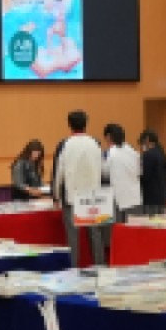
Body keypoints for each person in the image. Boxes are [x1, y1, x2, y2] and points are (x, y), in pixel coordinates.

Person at [52, 111, 108, 266]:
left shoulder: (64, 144)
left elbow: (59, 172)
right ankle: (99, 266)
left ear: (69, 125)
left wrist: (56, 196)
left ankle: (74, 268)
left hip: (72, 195)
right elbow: (104, 169)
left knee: (73, 237)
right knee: (95, 234)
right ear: (86, 124)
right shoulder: (95, 143)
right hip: (93, 195)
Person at [103, 124, 143, 233]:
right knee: (133, 234)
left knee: (118, 233)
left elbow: (105, 172)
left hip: (118, 200)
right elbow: (140, 172)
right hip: (135, 198)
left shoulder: (111, 153)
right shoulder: (133, 152)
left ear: (108, 137)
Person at [138, 130, 166, 213]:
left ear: (147, 140)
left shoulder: (148, 154)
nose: (142, 146)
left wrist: (138, 178)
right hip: (162, 195)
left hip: (151, 196)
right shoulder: (162, 153)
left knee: (151, 218)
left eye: (142, 143)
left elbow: (146, 176)